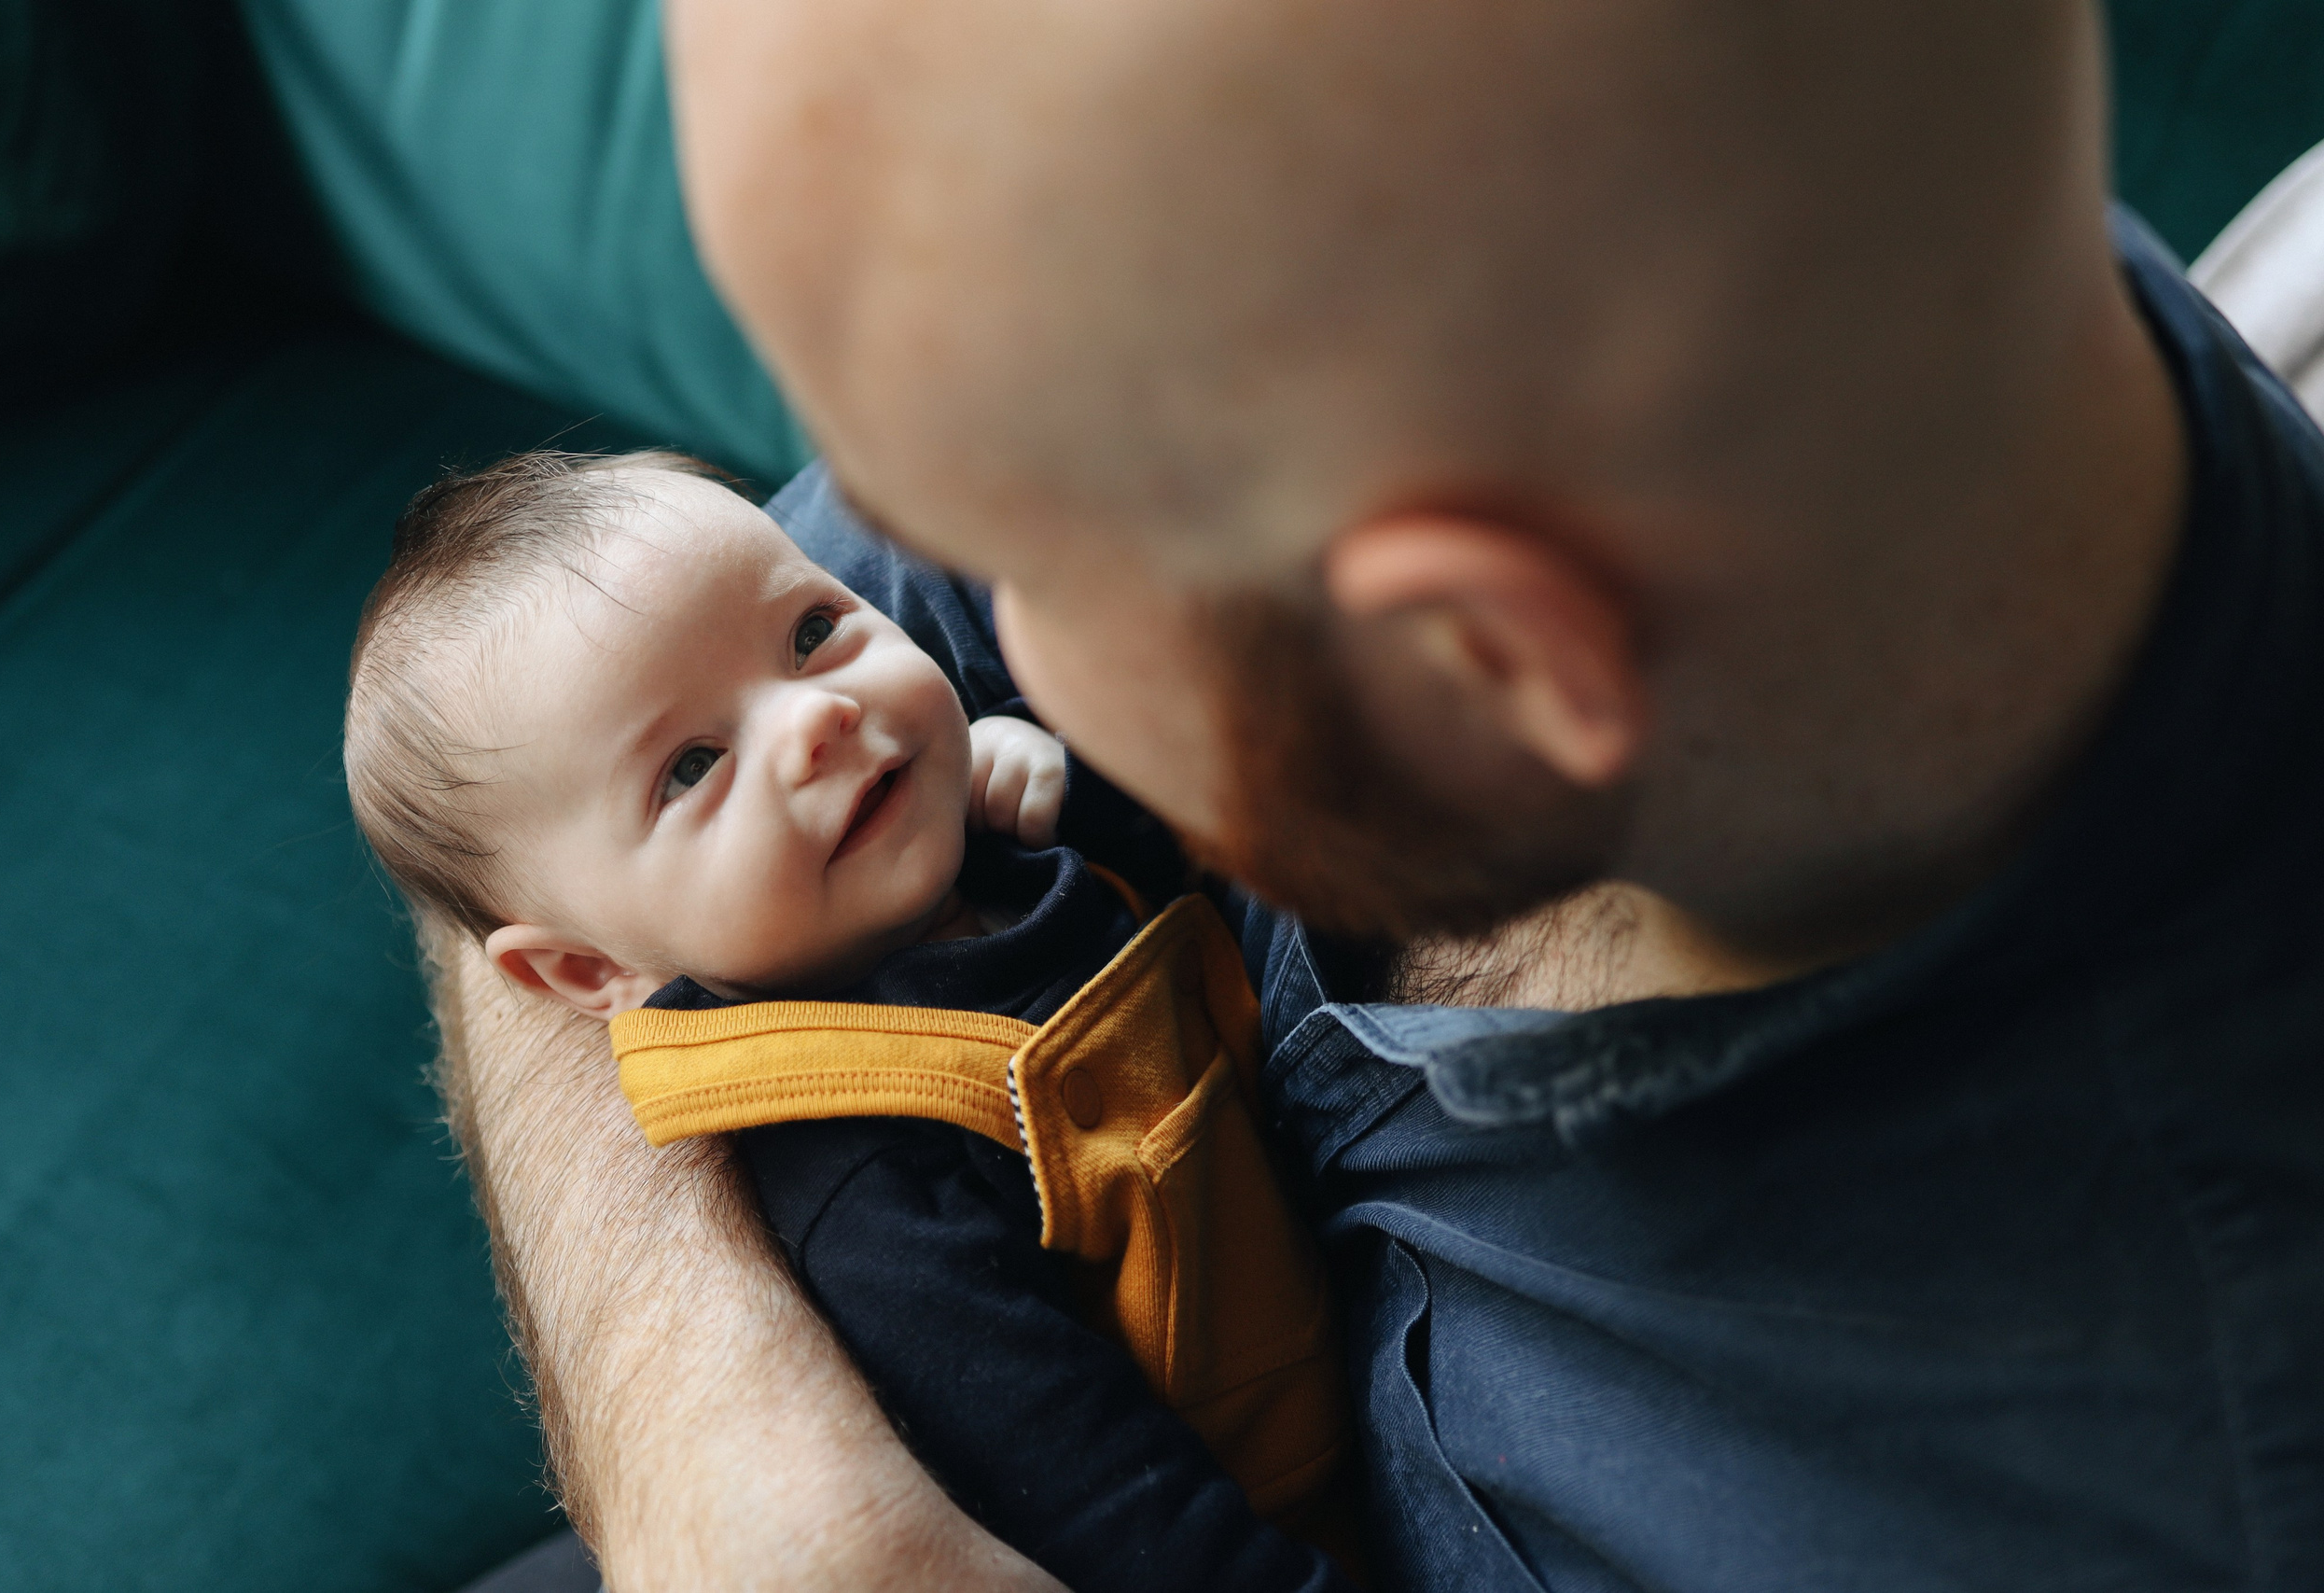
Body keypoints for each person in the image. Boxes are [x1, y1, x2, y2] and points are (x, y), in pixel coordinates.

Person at [436, 1, 2324, 1587]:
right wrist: (717, 1443)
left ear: (1481, 660)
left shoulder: (2004, 1500)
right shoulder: (1741, 349)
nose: (896, 633)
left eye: (1001, 554)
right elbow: (541, 780)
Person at [342, 450, 1359, 1592]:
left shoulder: (984, 848)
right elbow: (1114, 1512)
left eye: (813, 631)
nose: (817, 718)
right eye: (690, 768)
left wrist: (1041, 773)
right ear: (588, 970)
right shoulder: (864, 1181)